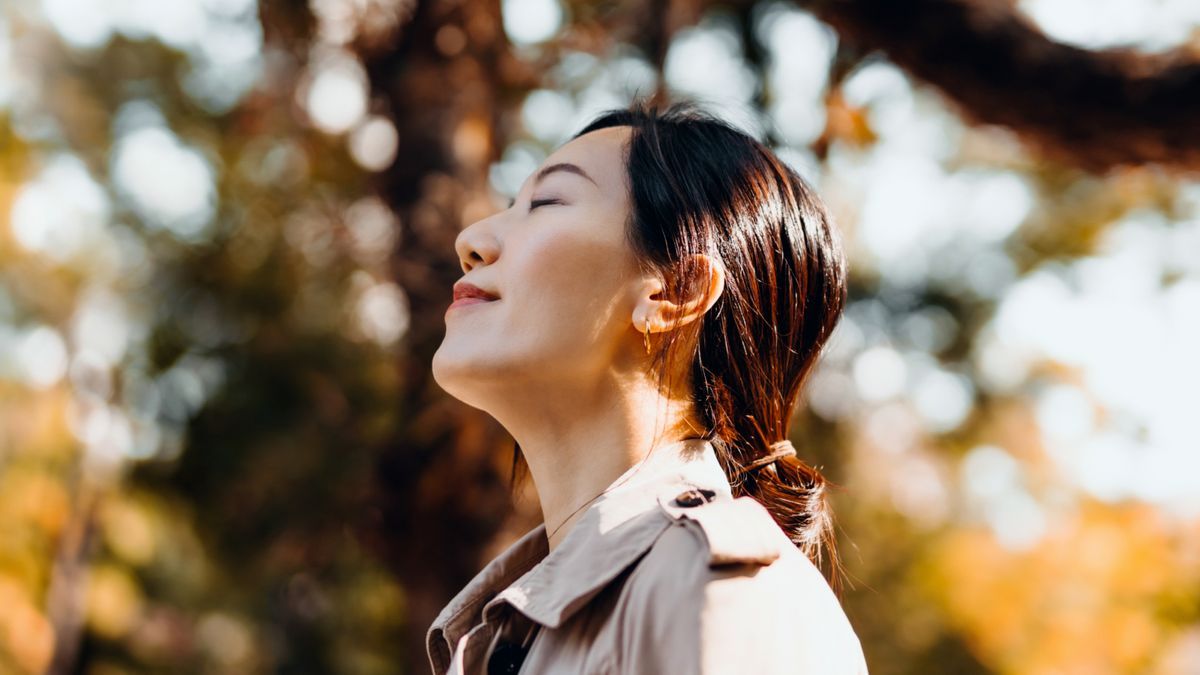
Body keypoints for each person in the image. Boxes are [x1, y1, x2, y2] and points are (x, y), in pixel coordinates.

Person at [428, 97, 868, 674]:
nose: (472, 238)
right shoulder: (512, 632)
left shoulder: (722, 596)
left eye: (547, 202)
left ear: (676, 291)